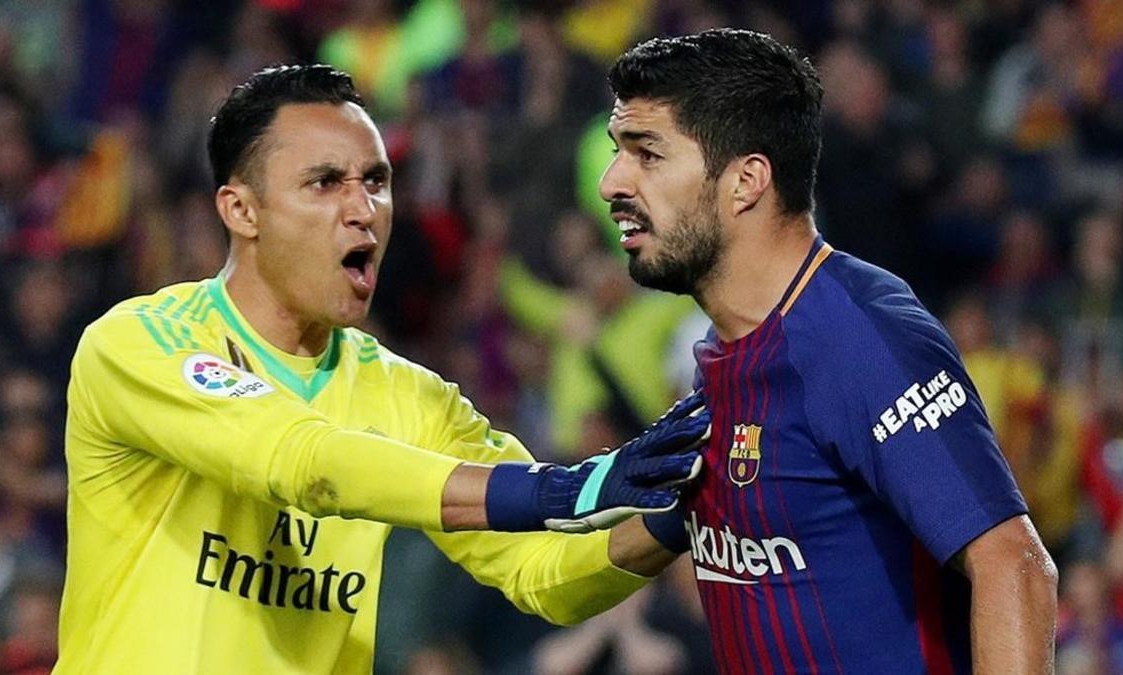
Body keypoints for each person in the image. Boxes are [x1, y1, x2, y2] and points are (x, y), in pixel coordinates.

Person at [54, 65, 710, 674]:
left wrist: (678, 509)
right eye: (324, 182)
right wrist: (567, 487)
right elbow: (298, 457)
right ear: (241, 210)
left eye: (375, 180)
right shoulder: (141, 345)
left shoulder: (412, 398)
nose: (363, 207)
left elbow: (545, 570)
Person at [599, 29, 1058, 674]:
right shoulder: (723, 356)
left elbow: (1015, 565)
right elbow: (588, 557)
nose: (610, 182)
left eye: (646, 154)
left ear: (746, 181)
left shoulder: (860, 334)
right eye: (616, 151)